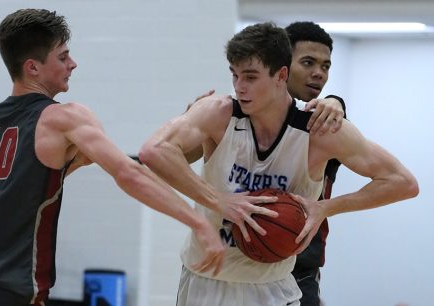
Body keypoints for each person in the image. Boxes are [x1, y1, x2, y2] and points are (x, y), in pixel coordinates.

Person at [0, 8, 274, 306]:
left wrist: (186, 122)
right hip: (14, 287)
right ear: (33, 67)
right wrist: (197, 222)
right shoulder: (64, 117)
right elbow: (128, 173)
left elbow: (17, 189)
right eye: (63, 56)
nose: (73, 64)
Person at [139, 22, 418, 306]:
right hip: (206, 282)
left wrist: (326, 207)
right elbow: (154, 151)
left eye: (250, 77)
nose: (240, 87)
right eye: (235, 76)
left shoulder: (318, 131)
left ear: (280, 75)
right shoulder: (218, 113)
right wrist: (220, 201)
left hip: (274, 288)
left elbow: (402, 182)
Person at [285, 21, 344, 306]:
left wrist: (337, 100)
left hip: (300, 270)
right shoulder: (242, 118)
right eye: (308, 62)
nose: (318, 73)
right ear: (282, 64)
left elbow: (401, 183)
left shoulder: (328, 125)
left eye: (326, 66)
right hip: (243, 262)